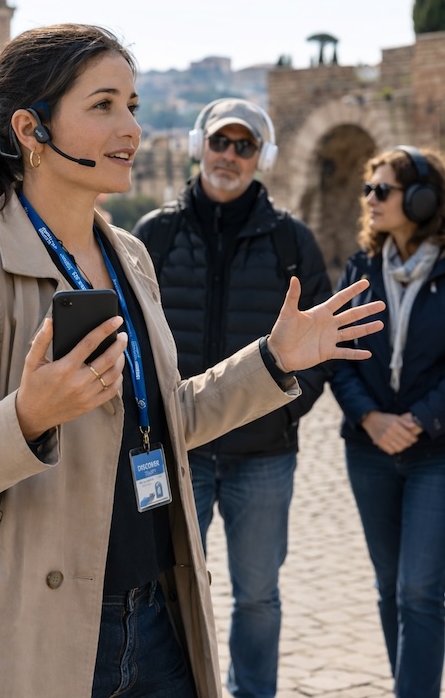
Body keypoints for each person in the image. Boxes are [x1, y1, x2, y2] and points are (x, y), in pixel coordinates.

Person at [0, 24, 384, 698]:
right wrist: (30, 416)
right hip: (42, 628)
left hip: (158, 614)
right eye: (103, 105)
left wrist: (272, 360)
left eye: (131, 103)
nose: (130, 126)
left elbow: (169, 418)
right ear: (32, 131)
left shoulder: (130, 255)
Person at [133, 98, 332, 698]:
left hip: (263, 457)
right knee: (160, 588)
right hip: (179, 451)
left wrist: (285, 411)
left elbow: (319, 345)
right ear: (201, 145)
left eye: (245, 146)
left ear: (261, 158)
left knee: (258, 597)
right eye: (222, 142)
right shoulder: (154, 235)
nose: (230, 156)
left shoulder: (291, 241)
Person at [331, 146, 445, 698]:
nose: (370, 200)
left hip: (434, 453)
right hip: (369, 449)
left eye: (384, 190)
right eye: (368, 190)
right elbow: (338, 354)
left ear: (423, 200)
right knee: (388, 586)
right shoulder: (361, 267)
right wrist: (371, 419)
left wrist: (419, 420)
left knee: (420, 589)